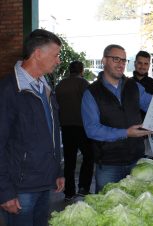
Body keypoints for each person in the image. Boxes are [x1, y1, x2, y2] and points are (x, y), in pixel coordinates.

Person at [0, 29, 65, 226]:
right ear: (38, 53)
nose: (58, 61)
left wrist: (57, 171)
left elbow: (52, 134)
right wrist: (4, 191)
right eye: (55, 55)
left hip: (44, 183)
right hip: (20, 189)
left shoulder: (45, 87)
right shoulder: (8, 90)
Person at [81, 44, 153, 193]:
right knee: (107, 208)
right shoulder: (91, 93)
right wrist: (126, 133)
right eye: (116, 59)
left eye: (124, 60)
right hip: (108, 164)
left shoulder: (133, 85)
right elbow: (92, 130)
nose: (121, 64)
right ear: (104, 60)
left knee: (137, 207)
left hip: (136, 160)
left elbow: (151, 105)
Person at [55, 61, 94, 201]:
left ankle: (69, 192)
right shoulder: (84, 84)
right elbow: (91, 105)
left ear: (69, 70)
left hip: (66, 127)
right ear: (81, 70)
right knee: (89, 157)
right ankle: (83, 187)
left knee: (69, 160)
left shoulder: (59, 86)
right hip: (82, 127)